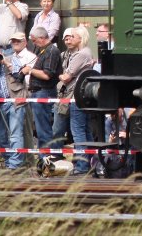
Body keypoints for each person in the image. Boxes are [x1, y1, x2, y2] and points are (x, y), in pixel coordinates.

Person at [51, 26, 95, 175]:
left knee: (78, 131)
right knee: (85, 131)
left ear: (80, 38)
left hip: (76, 96)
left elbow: (66, 76)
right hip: (81, 96)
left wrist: (59, 75)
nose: (70, 38)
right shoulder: (81, 54)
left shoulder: (81, 54)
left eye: (73, 36)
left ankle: (81, 166)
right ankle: (90, 163)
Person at [2, 31, 36, 170]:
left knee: (23, 131)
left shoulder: (31, 57)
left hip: (24, 96)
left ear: (25, 42)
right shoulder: (8, 57)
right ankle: (25, 161)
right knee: (16, 132)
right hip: (9, 98)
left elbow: (25, 79)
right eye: (13, 41)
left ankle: (22, 163)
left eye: (18, 41)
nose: (15, 43)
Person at [25, 26, 60, 151]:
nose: (33, 43)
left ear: (41, 38)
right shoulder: (44, 51)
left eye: (34, 40)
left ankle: (46, 157)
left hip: (44, 92)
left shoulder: (51, 51)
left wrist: (30, 70)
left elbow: (46, 75)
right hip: (38, 92)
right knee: (40, 128)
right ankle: (44, 157)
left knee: (43, 127)